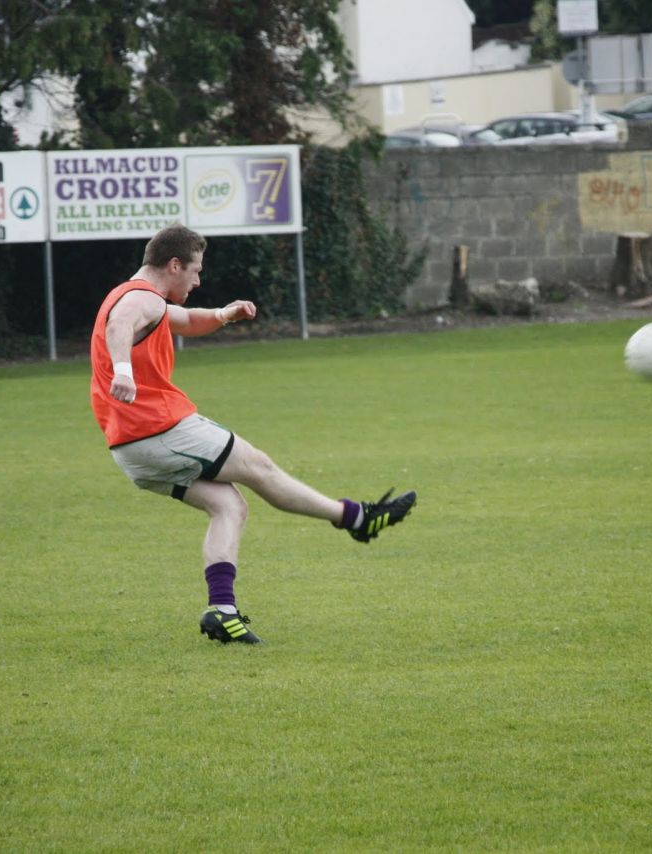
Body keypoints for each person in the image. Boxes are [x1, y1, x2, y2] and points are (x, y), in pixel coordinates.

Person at [90, 224, 416, 645]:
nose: (198, 279)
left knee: (230, 506)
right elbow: (122, 325)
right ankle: (357, 518)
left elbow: (187, 320)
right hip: (159, 427)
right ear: (174, 265)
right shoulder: (139, 300)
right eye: (195, 270)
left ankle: (222, 612)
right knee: (258, 466)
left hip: (131, 450)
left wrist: (224, 315)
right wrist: (123, 370)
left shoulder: (139, 296)